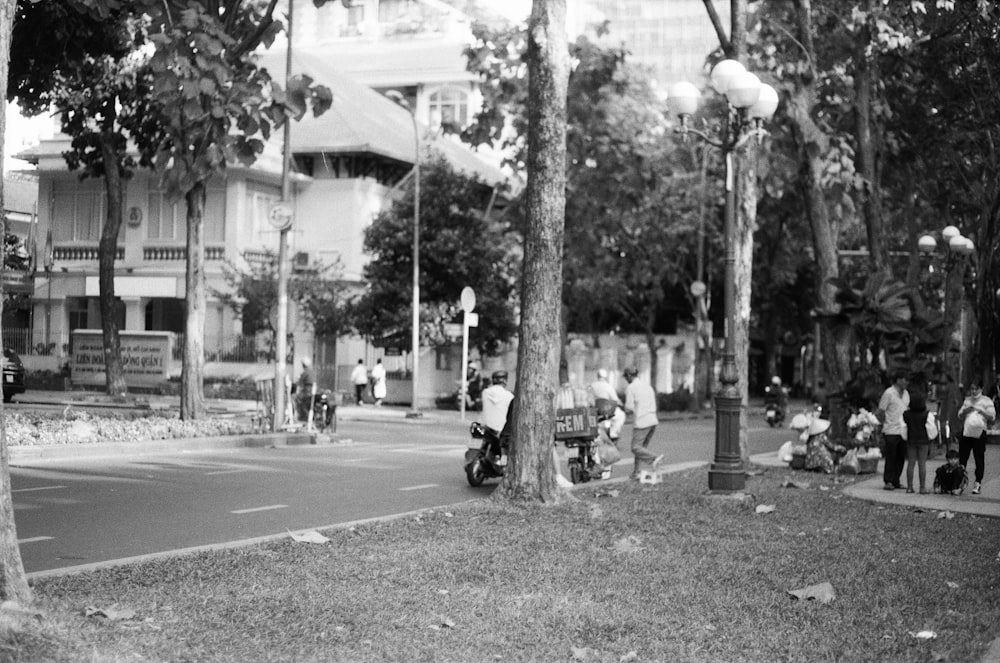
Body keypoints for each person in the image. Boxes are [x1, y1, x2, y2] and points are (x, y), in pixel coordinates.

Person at [623, 366, 662, 479]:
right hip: (653, 420)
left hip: (641, 421)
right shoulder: (648, 386)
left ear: (629, 376)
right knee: (641, 448)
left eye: (626, 377)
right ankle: (637, 472)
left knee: (635, 448)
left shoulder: (631, 388)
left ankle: (654, 458)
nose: (626, 379)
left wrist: (621, 407)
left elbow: (629, 408)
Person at [957, 380, 995, 495]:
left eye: (976, 389)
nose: (973, 391)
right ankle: (960, 481)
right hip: (966, 432)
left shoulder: (986, 401)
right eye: (972, 389)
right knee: (963, 457)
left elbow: (992, 418)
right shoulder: (967, 400)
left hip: (979, 432)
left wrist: (982, 412)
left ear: (981, 389)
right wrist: (965, 411)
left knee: (979, 458)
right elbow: (959, 416)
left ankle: (978, 482)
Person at [876, 372, 910, 491]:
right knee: (891, 456)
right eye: (904, 379)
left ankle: (896, 480)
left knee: (901, 456)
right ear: (898, 380)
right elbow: (880, 411)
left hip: (903, 430)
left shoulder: (906, 394)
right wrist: (885, 423)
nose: (906, 382)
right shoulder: (888, 393)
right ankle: (888, 480)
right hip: (890, 429)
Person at [902, 392, 932, 494]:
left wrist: (906, 437)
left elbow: (903, 428)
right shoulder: (927, 414)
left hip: (911, 440)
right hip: (923, 441)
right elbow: (931, 429)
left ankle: (909, 487)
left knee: (911, 463)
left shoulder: (906, 414)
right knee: (922, 464)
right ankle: (922, 487)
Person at [589, 368, 625, 441]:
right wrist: (621, 404)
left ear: (597, 376)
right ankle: (613, 433)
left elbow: (589, 399)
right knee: (621, 415)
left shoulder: (592, 386)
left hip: (595, 410)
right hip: (607, 410)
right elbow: (615, 399)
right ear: (605, 377)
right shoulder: (608, 386)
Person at [295, 357, 316, 422]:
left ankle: (303, 415)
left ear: (303, 365)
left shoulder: (305, 373)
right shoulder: (312, 372)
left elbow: (299, 383)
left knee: (297, 399)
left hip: (307, 391)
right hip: (313, 391)